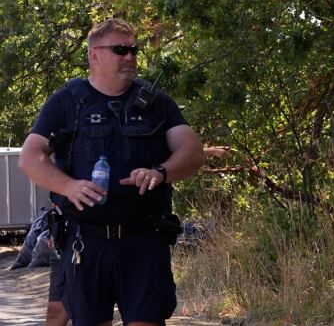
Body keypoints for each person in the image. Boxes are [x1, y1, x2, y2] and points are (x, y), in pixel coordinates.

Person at [19, 18, 205, 326]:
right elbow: (30, 157)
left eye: (134, 50)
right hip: (84, 244)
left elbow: (192, 152)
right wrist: (68, 186)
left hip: (144, 241)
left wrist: (160, 171)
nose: (130, 57)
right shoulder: (66, 102)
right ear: (94, 55)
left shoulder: (156, 103)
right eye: (120, 50)